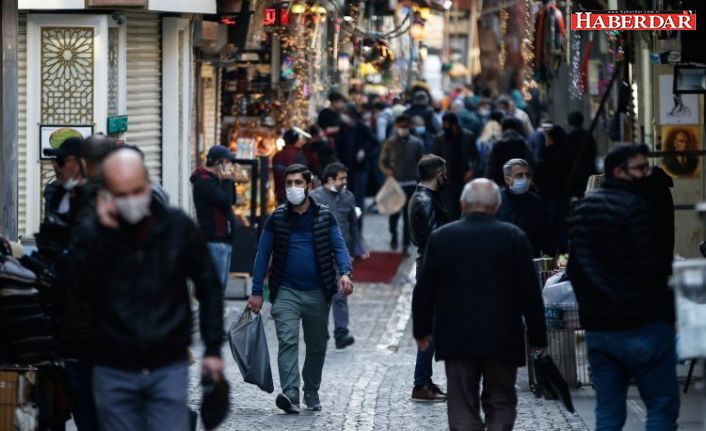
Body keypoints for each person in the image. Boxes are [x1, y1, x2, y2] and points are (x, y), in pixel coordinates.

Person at [68, 149, 225, 431]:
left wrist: (212, 349)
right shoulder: (94, 234)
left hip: (167, 361)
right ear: (107, 194)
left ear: (148, 183)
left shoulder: (177, 227)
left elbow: (209, 285)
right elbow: (78, 290)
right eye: (121, 193)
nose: (131, 200)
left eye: (136, 190)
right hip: (112, 364)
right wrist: (105, 236)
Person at [413, 179, 547, 431]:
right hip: (503, 335)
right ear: (497, 206)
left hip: (457, 337)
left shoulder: (443, 238)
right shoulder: (514, 237)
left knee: (462, 404)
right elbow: (531, 294)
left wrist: (422, 330)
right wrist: (538, 337)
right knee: (501, 402)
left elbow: (424, 289)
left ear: (463, 204)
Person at [567, 144, 679, 431]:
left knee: (608, 411)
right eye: (640, 169)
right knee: (661, 405)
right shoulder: (637, 207)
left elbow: (575, 271)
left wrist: (590, 312)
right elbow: (651, 267)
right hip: (641, 323)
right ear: (619, 172)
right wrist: (665, 313)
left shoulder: (583, 210)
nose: (647, 174)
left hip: (600, 328)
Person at [246, 164, 353, 414]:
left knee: (317, 345)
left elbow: (339, 247)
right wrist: (256, 291)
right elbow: (262, 255)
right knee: (288, 340)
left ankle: (311, 390)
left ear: (309, 186)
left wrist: (346, 274)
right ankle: (291, 391)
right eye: (288, 183)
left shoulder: (325, 216)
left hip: (318, 292)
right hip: (285, 291)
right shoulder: (277, 218)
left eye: (298, 183)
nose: (292, 188)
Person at [408, 155, 449, 402]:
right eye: (444, 172)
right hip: (431, 268)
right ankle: (420, 383)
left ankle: (425, 380)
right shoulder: (424, 200)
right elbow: (435, 239)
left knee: (433, 326)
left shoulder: (425, 197)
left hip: (430, 265)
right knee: (430, 328)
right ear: (438, 174)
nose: (447, 176)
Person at [310, 163, 362, 350]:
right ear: (330, 179)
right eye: (342, 178)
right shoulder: (314, 198)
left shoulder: (348, 197)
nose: (345, 182)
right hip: (320, 254)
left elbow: (353, 225)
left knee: (341, 293)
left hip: (343, 254)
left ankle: (341, 333)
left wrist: (357, 248)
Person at [190, 145, 238, 291]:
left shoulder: (215, 180)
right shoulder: (205, 182)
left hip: (223, 241)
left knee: (220, 284)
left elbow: (233, 200)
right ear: (217, 163)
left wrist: (229, 180)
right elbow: (226, 202)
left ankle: (218, 312)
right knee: (215, 287)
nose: (229, 165)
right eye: (227, 162)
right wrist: (227, 180)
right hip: (214, 241)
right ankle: (213, 313)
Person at [379, 114, 425, 255]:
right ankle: (393, 234)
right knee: (394, 213)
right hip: (395, 183)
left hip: (411, 183)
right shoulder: (390, 143)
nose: (403, 129)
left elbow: (421, 161)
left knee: (408, 216)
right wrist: (387, 171)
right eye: (400, 127)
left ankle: (405, 244)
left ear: (409, 127)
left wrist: (421, 177)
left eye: (405, 127)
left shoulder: (416, 143)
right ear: (396, 127)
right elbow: (382, 161)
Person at [497, 159, 556, 257]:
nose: (525, 178)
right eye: (519, 175)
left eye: (527, 175)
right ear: (507, 179)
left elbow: (548, 236)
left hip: (530, 259)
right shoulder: (496, 201)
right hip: (502, 259)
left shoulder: (537, 202)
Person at [432, 112, 479, 220]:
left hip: (464, 179)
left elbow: (476, 157)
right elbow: (434, 158)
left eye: (446, 124)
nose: (444, 127)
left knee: (465, 209)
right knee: (450, 211)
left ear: (454, 124)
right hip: (447, 181)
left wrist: (472, 170)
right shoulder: (440, 138)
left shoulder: (468, 136)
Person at [534, 125, 573, 253]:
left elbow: (539, 173)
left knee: (551, 224)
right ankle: (564, 251)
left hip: (548, 194)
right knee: (561, 224)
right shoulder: (567, 153)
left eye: (548, 136)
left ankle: (554, 252)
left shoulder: (547, 153)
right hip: (562, 194)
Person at [338, 103, 379, 218]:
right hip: (346, 168)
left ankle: (358, 230)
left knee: (358, 200)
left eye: (345, 113)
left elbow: (374, 143)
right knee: (348, 199)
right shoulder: (343, 128)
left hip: (360, 168)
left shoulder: (361, 127)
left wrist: (364, 151)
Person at [485, 117, 536, 186]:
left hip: (501, 179)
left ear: (502, 128)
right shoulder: (522, 142)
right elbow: (531, 160)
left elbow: (490, 164)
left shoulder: (497, 144)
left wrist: (487, 180)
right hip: (519, 179)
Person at [566, 111, 598, 198]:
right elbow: (593, 153)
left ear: (569, 123)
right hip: (588, 171)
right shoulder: (588, 136)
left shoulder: (569, 138)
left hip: (574, 174)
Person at [273, 129, 309, 204]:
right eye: (300, 139)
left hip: (280, 194)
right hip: (295, 196)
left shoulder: (276, 156)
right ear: (296, 141)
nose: (302, 141)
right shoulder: (298, 156)